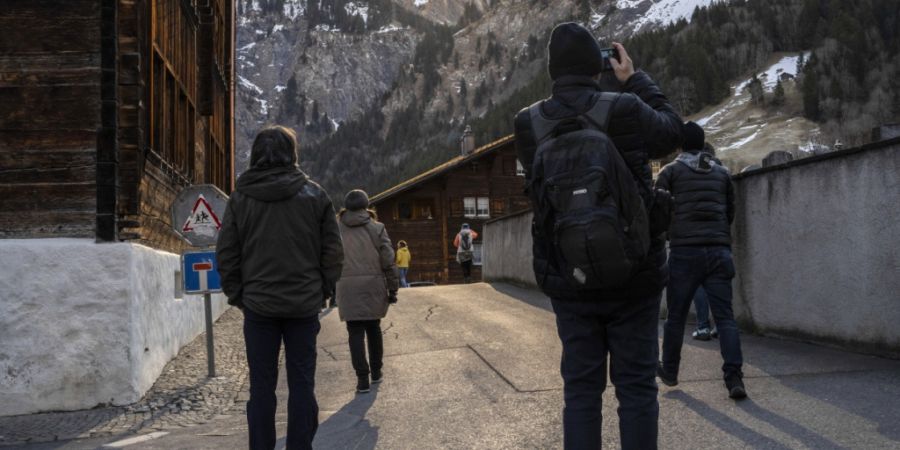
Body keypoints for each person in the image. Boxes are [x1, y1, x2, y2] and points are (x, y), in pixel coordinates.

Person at [514, 23, 682, 450]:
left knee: (581, 394)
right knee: (638, 389)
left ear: (553, 70)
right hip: (635, 273)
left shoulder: (528, 123)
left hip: (569, 277)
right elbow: (672, 132)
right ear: (598, 64)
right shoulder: (624, 106)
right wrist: (634, 79)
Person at [216, 126, 343, 450]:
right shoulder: (315, 195)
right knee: (302, 385)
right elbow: (332, 252)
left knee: (261, 389)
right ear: (292, 154)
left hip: (258, 308)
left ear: (255, 155)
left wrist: (240, 296)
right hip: (303, 305)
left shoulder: (240, 199)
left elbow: (227, 254)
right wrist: (322, 290)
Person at [655, 121, 746, 399]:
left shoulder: (670, 172)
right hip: (719, 251)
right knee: (726, 319)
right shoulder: (722, 174)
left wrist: (672, 233)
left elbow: (658, 211)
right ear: (703, 143)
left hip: (684, 252)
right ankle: (734, 379)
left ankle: (669, 371)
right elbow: (730, 212)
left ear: (680, 145)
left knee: (676, 318)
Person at [335, 190, 400, 394]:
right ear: (367, 206)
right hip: (373, 285)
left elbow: (328, 259)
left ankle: (362, 379)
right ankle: (377, 372)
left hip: (346, 287)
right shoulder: (377, 228)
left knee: (354, 332)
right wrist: (393, 288)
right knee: (374, 328)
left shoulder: (336, 230)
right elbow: (388, 260)